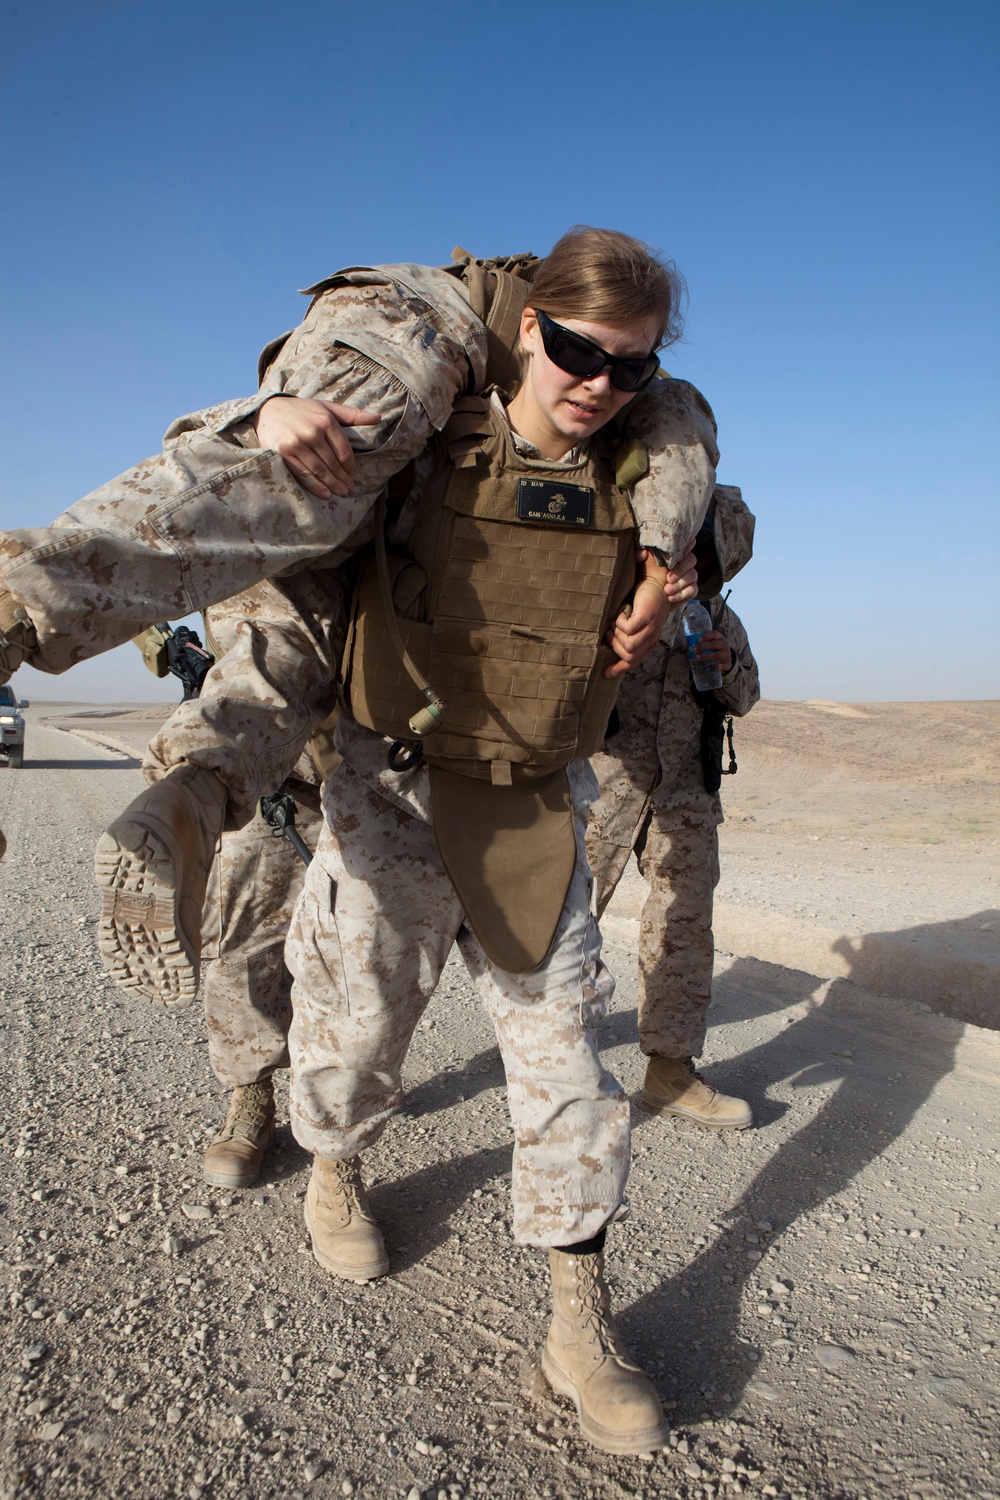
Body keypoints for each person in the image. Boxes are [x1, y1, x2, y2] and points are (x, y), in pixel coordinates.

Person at [586, 488, 760, 1128]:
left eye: (713, 558)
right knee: (565, 925)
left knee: (683, 928)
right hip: (606, 786)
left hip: (686, 795)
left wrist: (727, 661)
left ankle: (670, 1071)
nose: (701, 567)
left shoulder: (719, 616)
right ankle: (560, 1066)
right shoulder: (618, 597)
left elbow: (746, 695)